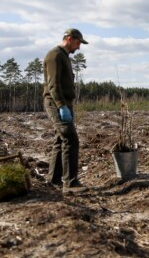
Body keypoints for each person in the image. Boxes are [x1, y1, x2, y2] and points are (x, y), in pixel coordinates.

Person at [43, 28, 89, 194]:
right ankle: (70, 183)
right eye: (78, 42)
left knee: (60, 140)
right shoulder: (54, 55)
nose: (79, 47)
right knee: (71, 139)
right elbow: (53, 84)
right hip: (57, 103)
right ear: (69, 38)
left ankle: (53, 180)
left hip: (64, 104)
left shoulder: (64, 57)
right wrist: (61, 105)